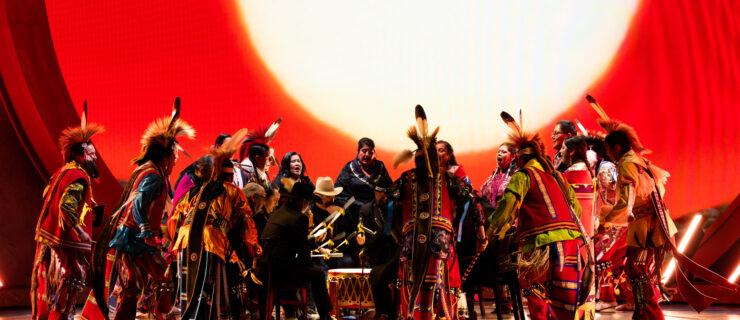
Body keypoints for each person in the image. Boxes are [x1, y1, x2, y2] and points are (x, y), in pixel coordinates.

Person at [587, 95, 738, 319]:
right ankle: (644, 314)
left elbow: (626, 201)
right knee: (636, 273)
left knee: (638, 274)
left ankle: (651, 315)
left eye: (608, 150)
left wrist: (606, 223)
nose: (606, 155)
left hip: (646, 228)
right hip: (649, 225)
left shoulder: (628, 164)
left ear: (617, 148)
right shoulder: (637, 160)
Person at [84, 101, 195, 320]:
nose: (175, 163)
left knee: (133, 287)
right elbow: (139, 203)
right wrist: (147, 232)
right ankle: (162, 315)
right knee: (158, 279)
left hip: (131, 238)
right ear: (165, 160)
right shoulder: (153, 176)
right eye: (174, 158)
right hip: (135, 240)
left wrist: (157, 231)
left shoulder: (147, 171)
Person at [487, 112, 586, 320]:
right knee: (563, 309)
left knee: (537, 301)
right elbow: (575, 209)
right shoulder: (557, 176)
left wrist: (490, 231)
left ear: (521, 158)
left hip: (541, 249)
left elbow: (506, 208)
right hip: (569, 247)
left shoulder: (523, 176)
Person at [391, 106, 485, 320]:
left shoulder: (406, 179)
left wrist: (399, 233)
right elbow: (474, 200)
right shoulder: (449, 179)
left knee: (413, 288)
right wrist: (482, 235)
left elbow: (383, 200)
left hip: (411, 244)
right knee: (440, 290)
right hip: (441, 245)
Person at [172, 129, 260, 319]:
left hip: (185, 241)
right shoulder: (233, 191)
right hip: (211, 240)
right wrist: (255, 247)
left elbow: (175, 217)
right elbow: (247, 222)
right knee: (211, 285)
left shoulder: (196, 190)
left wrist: (174, 243)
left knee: (191, 287)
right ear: (230, 177)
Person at [31, 106, 103, 320]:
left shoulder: (62, 173)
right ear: (81, 156)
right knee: (74, 276)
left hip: (50, 241)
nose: (95, 158)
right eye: (92, 154)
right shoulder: (77, 176)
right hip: (60, 242)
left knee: (66, 279)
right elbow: (65, 206)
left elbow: (49, 196)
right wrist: (80, 232)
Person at [257, 181, 334, 320]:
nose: (308, 206)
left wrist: (310, 243)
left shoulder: (279, 213)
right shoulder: (299, 218)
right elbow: (304, 255)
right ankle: (325, 315)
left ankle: (299, 311)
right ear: (303, 201)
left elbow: (291, 241)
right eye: (308, 202)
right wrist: (307, 257)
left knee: (310, 269)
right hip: (281, 273)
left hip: (266, 269)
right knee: (317, 272)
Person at [560, 135, 597, 319]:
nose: (560, 152)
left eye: (564, 148)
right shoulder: (588, 172)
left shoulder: (571, 174)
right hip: (586, 235)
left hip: (574, 237)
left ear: (572, 151)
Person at [357, 176, 400, 320]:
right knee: (377, 273)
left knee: (377, 274)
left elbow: (385, 232)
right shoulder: (372, 207)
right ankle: (386, 312)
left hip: (403, 250)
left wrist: (367, 251)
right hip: (390, 251)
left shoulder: (392, 205)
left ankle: (386, 313)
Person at [335, 137, 392, 210]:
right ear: (358, 152)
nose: (367, 155)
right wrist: (360, 205)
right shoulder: (348, 169)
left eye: (370, 152)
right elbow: (339, 194)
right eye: (364, 151)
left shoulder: (380, 166)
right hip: (357, 211)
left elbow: (390, 187)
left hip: (379, 210)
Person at [238, 118, 282, 190]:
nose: (271, 161)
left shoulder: (257, 172)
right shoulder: (247, 170)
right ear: (257, 158)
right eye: (268, 158)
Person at [479, 142, 517, 209]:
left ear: (513, 157)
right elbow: (481, 194)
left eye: (503, 152)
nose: (499, 154)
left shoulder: (515, 176)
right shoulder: (492, 177)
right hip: (491, 217)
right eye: (498, 152)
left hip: (507, 217)